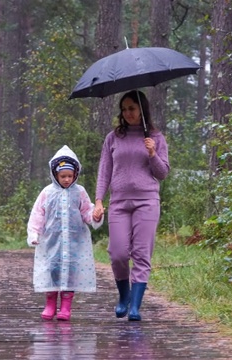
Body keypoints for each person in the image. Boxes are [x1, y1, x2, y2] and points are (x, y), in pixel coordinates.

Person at [92, 90, 170, 321]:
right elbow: (104, 171)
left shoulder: (156, 137)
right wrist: (98, 201)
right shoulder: (113, 138)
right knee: (117, 253)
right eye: (124, 109)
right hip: (118, 203)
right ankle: (123, 297)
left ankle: (135, 306)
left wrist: (153, 153)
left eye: (132, 109)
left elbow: (163, 173)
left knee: (141, 253)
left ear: (142, 110)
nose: (127, 113)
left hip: (147, 201)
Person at [27, 145, 104, 321]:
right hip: (51, 242)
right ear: (55, 174)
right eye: (63, 176)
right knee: (52, 270)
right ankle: (51, 304)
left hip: (74, 242)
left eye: (70, 176)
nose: (67, 180)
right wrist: (34, 234)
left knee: (70, 272)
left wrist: (95, 215)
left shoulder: (80, 192)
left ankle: (66, 307)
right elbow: (38, 214)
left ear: (75, 174)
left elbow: (86, 212)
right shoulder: (47, 192)